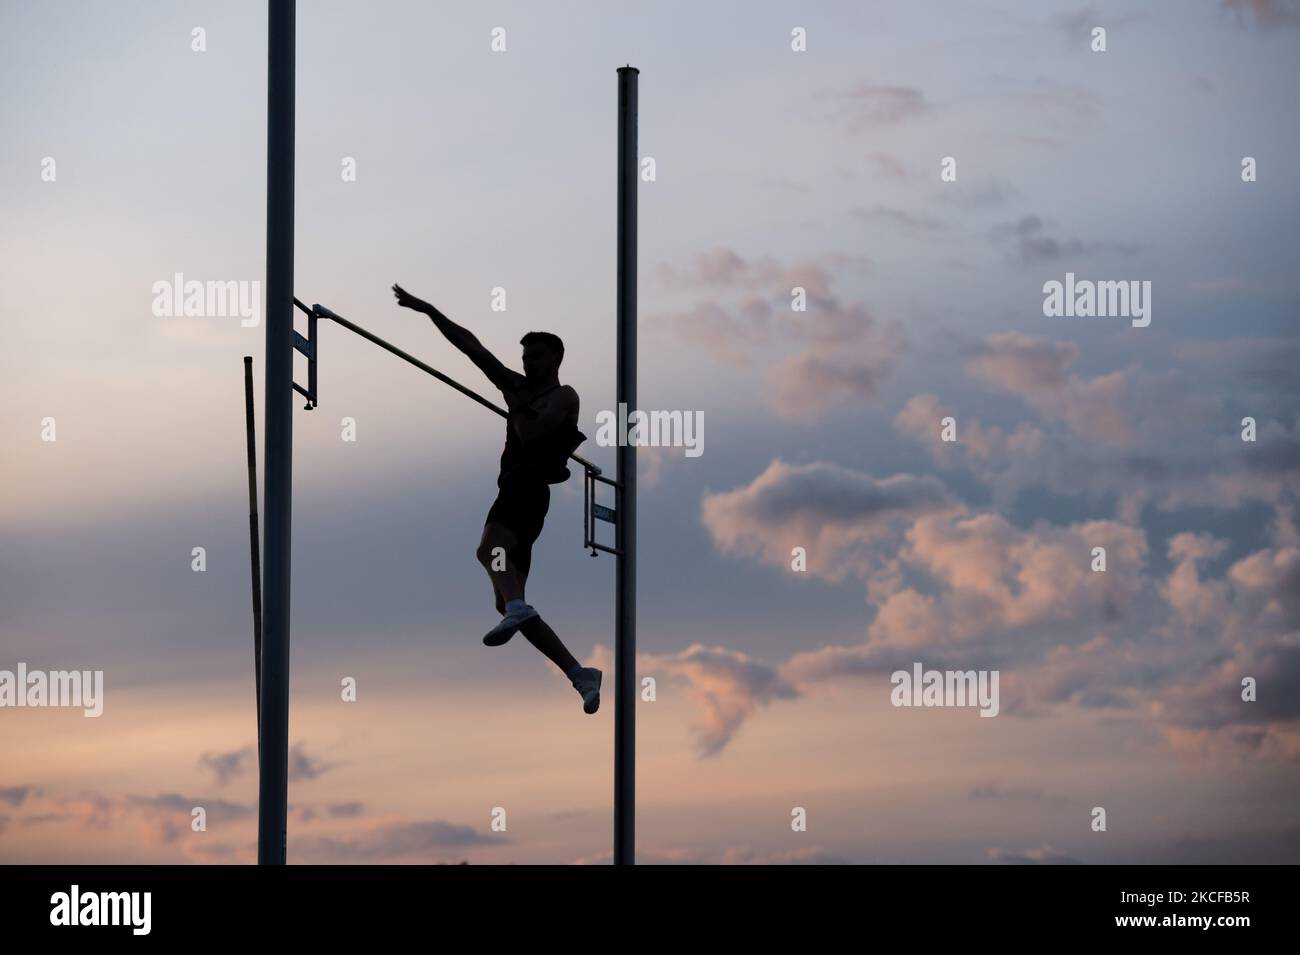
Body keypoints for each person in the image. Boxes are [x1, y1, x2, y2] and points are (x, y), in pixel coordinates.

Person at [392, 283, 602, 713]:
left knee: (489, 550)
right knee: (505, 600)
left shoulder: (565, 396)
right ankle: (579, 673)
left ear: (556, 358)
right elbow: (473, 348)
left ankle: (521, 609)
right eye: (524, 357)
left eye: (536, 356)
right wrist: (429, 309)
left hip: (527, 486)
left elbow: (536, 433)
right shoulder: (516, 386)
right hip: (513, 484)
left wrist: (516, 401)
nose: (527, 363)